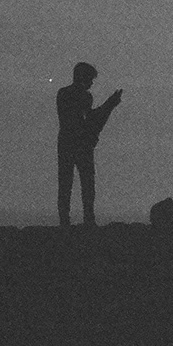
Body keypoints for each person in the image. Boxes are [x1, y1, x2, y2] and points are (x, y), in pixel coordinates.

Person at [56, 61, 122, 227]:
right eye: (90, 79)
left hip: (69, 143)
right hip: (78, 144)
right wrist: (109, 105)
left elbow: (87, 119)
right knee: (83, 184)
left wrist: (109, 104)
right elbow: (88, 121)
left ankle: (68, 221)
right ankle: (85, 220)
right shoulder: (79, 96)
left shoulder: (65, 94)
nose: (92, 83)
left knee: (69, 184)